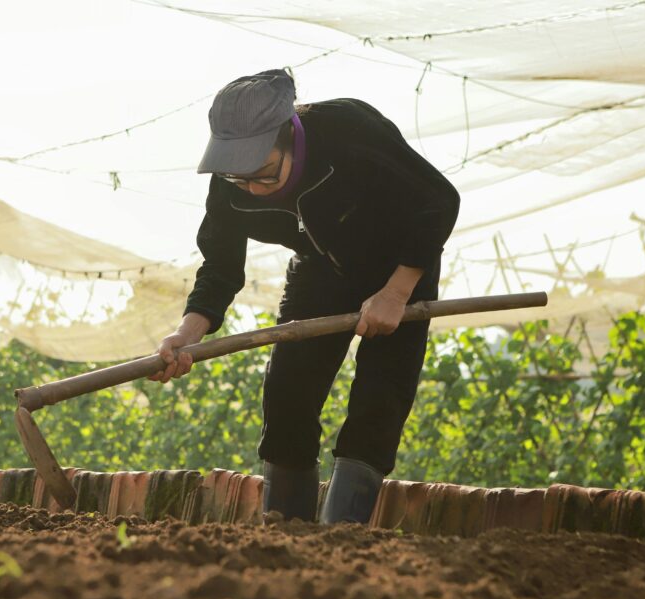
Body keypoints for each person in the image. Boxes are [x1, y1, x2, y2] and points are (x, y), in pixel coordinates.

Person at [148, 69, 460, 524]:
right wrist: (187, 333)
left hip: (400, 264)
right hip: (319, 270)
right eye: (240, 179)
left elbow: (438, 200)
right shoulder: (231, 183)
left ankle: (341, 535)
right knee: (287, 392)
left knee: (380, 398)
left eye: (264, 174)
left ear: (290, 134)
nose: (252, 188)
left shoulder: (350, 131)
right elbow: (220, 266)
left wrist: (395, 293)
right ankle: (286, 532)